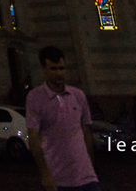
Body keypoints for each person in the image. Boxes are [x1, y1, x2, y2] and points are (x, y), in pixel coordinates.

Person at [26, 46, 98, 191]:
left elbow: (86, 131)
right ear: (43, 69)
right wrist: (45, 174)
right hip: (58, 177)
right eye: (53, 69)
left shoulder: (78, 95)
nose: (59, 73)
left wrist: (91, 164)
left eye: (62, 68)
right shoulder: (35, 97)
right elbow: (33, 136)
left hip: (86, 176)